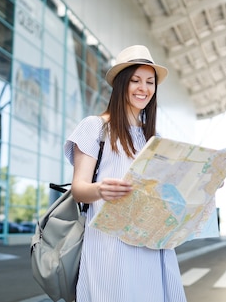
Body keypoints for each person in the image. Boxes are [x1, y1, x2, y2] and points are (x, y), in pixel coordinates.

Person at [64, 45, 186, 302]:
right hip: (110, 248)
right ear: (121, 84)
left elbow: (166, 193)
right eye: (136, 80)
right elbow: (78, 188)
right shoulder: (95, 127)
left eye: (150, 82)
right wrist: (99, 190)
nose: (144, 88)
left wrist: (206, 181)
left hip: (152, 246)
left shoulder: (154, 138)